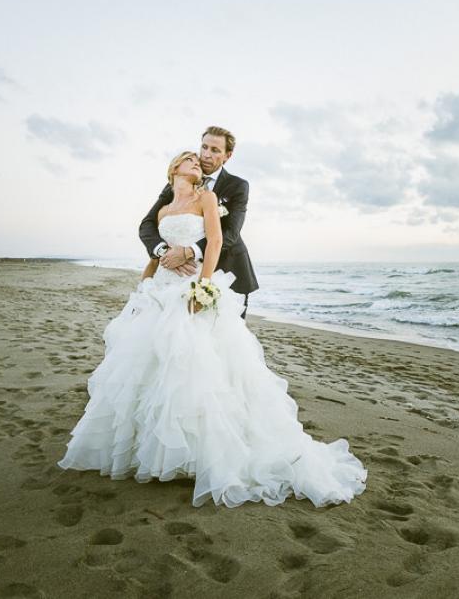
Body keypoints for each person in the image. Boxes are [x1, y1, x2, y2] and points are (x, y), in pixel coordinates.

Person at [57, 151, 367, 508]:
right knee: (149, 363)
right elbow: (151, 247)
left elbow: (219, 241)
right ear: (174, 169)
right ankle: (148, 450)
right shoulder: (162, 208)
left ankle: (202, 452)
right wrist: (144, 284)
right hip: (160, 289)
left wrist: (202, 289)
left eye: (203, 154)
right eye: (189, 157)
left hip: (190, 289)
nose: (197, 159)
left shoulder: (208, 197)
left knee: (197, 365)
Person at [140, 126, 259, 318]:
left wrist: (188, 252)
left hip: (228, 271)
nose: (206, 155)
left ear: (227, 155)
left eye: (215, 150)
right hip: (182, 275)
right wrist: (166, 252)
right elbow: (147, 224)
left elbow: (230, 233)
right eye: (204, 147)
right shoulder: (177, 183)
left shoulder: (238, 186)